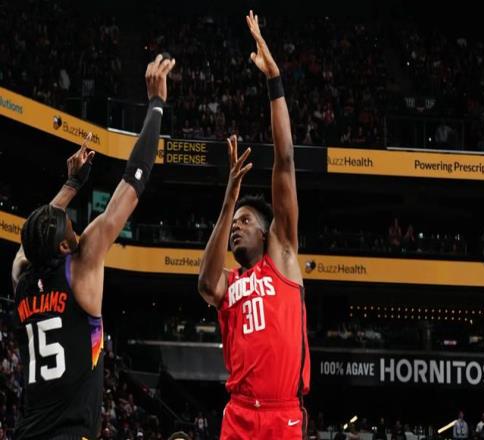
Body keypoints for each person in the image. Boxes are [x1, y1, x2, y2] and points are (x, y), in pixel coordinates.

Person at [11, 54, 176, 440]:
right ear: (65, 247)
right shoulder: (81, 265)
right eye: (70, 226)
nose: (76, 227)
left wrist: (70, 186)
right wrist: (156, 105)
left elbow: (29, 242)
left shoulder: (21, 282)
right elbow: (133, 183)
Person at [198, 10, 310, 440]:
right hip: (239, 414)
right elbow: (205, 284)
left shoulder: (282, 255)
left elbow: (285, 161)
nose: (236, 228)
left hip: (283, 414)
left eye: (244, 221)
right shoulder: (229, 282)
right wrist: (230, 198)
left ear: (266, 232)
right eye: (234, 223)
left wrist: (274, 82)